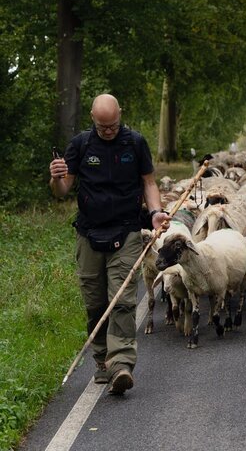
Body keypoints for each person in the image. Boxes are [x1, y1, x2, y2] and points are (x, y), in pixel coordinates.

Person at [49, 94, 170, 394]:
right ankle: (102, 359)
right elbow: (62, 190)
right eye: (103, 126)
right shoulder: (80, 145)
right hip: (89, 233)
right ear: (92, 118)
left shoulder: (135, 143)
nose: (108, 131)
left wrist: (154, 212)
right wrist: (56, 178)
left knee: (122, 299)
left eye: (113, 125)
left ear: (120, 115)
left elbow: (149, 182)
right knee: (95, 302)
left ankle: (121, 364)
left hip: (127, 229)